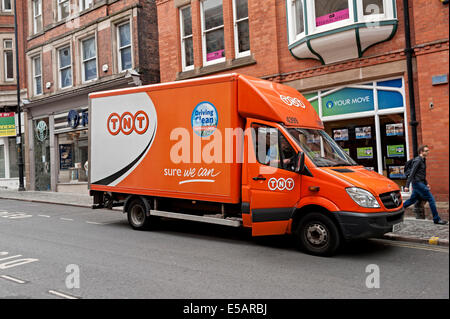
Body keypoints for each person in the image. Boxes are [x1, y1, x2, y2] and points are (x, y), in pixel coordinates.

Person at [403, 145, 447, 225]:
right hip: (417, 183)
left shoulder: (423, 160)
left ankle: (397, 210)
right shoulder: (418, 161)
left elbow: (421, 174)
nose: (428, 152)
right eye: (426, 151)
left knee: (412, 200)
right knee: (431, 199)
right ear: (421, 152)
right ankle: (436, 219)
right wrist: (407, 185)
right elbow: (412, 173)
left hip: (420, 183)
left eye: (428, 151)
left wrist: (426, 183)